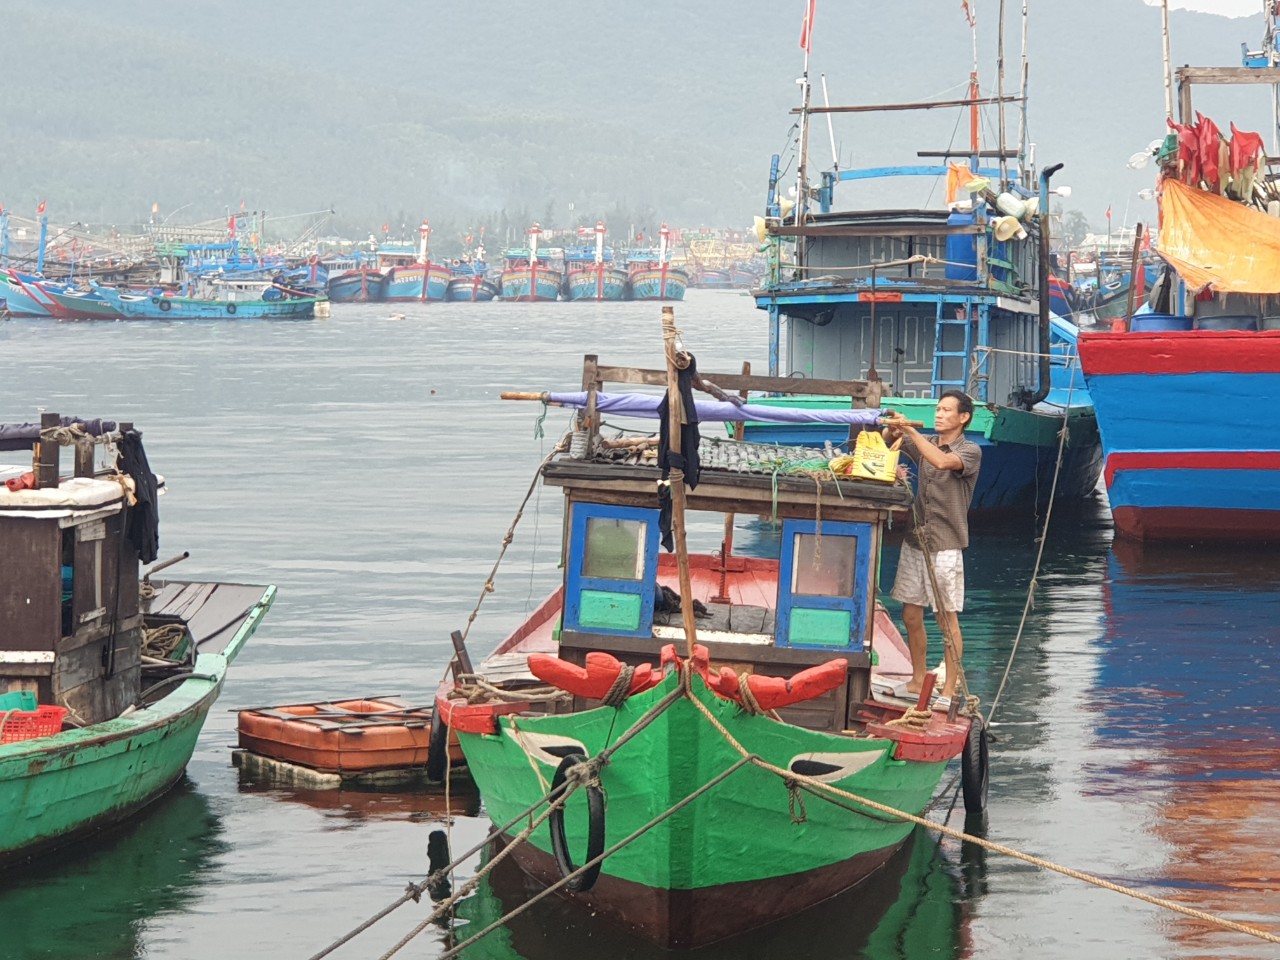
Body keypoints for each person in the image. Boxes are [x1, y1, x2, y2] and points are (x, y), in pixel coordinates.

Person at [880, 390, 981, 705]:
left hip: (945, 544)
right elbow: (886, 440)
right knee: (911, 614)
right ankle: (918, 677)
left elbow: (940, 460)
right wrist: (893, 427)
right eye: (937, 409)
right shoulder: (927, 443)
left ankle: (950, 689)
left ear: (963, 417)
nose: (938, 414)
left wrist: (911, 432)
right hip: (916, 539)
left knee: (945, 618)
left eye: (946, 410)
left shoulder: (969, 450)